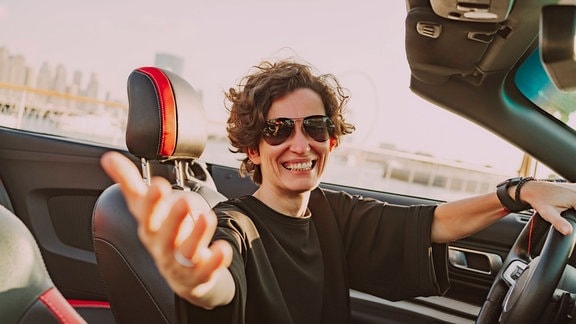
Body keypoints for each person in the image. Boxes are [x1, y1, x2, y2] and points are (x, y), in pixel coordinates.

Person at [100, 59, 576, 323]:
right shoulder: (235, 225)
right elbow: (219, 279)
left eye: (316, 127)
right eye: (278, 129)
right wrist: (194, 280)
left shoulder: (330, 213)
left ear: (333, 138)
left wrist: (518, 192)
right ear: (251, 148)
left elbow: (430, 224)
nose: (299, 144)